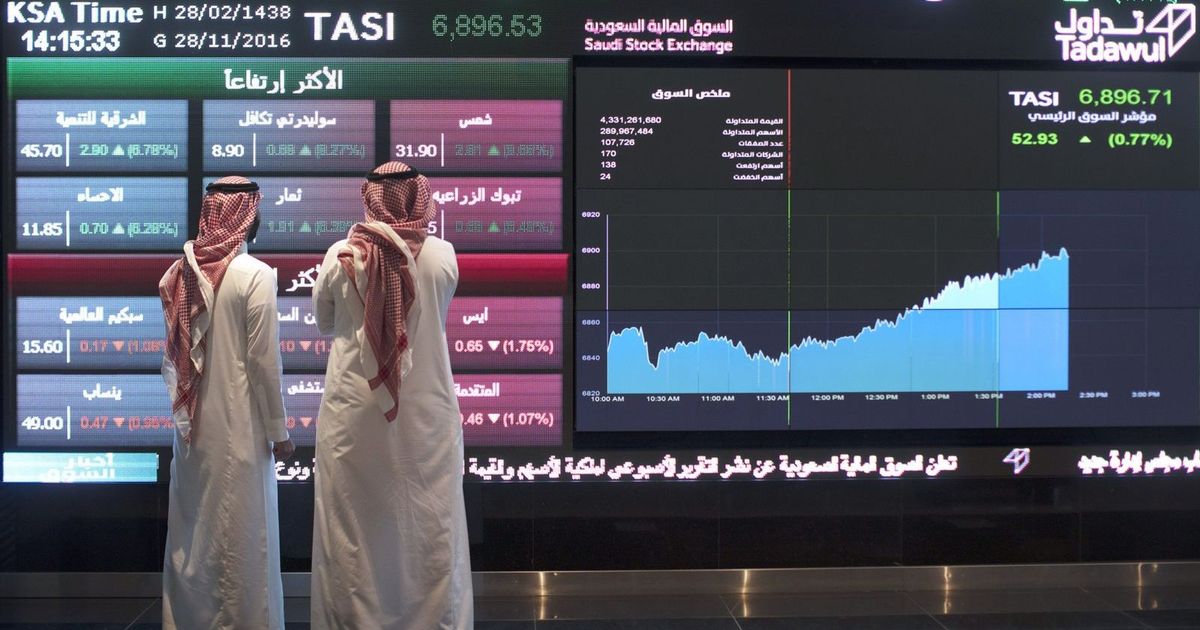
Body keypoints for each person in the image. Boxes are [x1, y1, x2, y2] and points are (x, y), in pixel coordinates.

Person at [310, 161, 473, 629]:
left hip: (353, 412)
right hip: (425, 412)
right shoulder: (442, 254)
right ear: (420, 197)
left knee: (353, 529)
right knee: (429, 526)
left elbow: (324, 322)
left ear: (370, 198)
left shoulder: (341, 254)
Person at [158, 176, 294, 630]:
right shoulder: (255, 274)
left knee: (194, 535)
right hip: (239, 429)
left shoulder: (181, 271)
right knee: (241, 536)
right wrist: (279, 432)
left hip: (191, 431)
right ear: (249, 216)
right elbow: (263, 363)